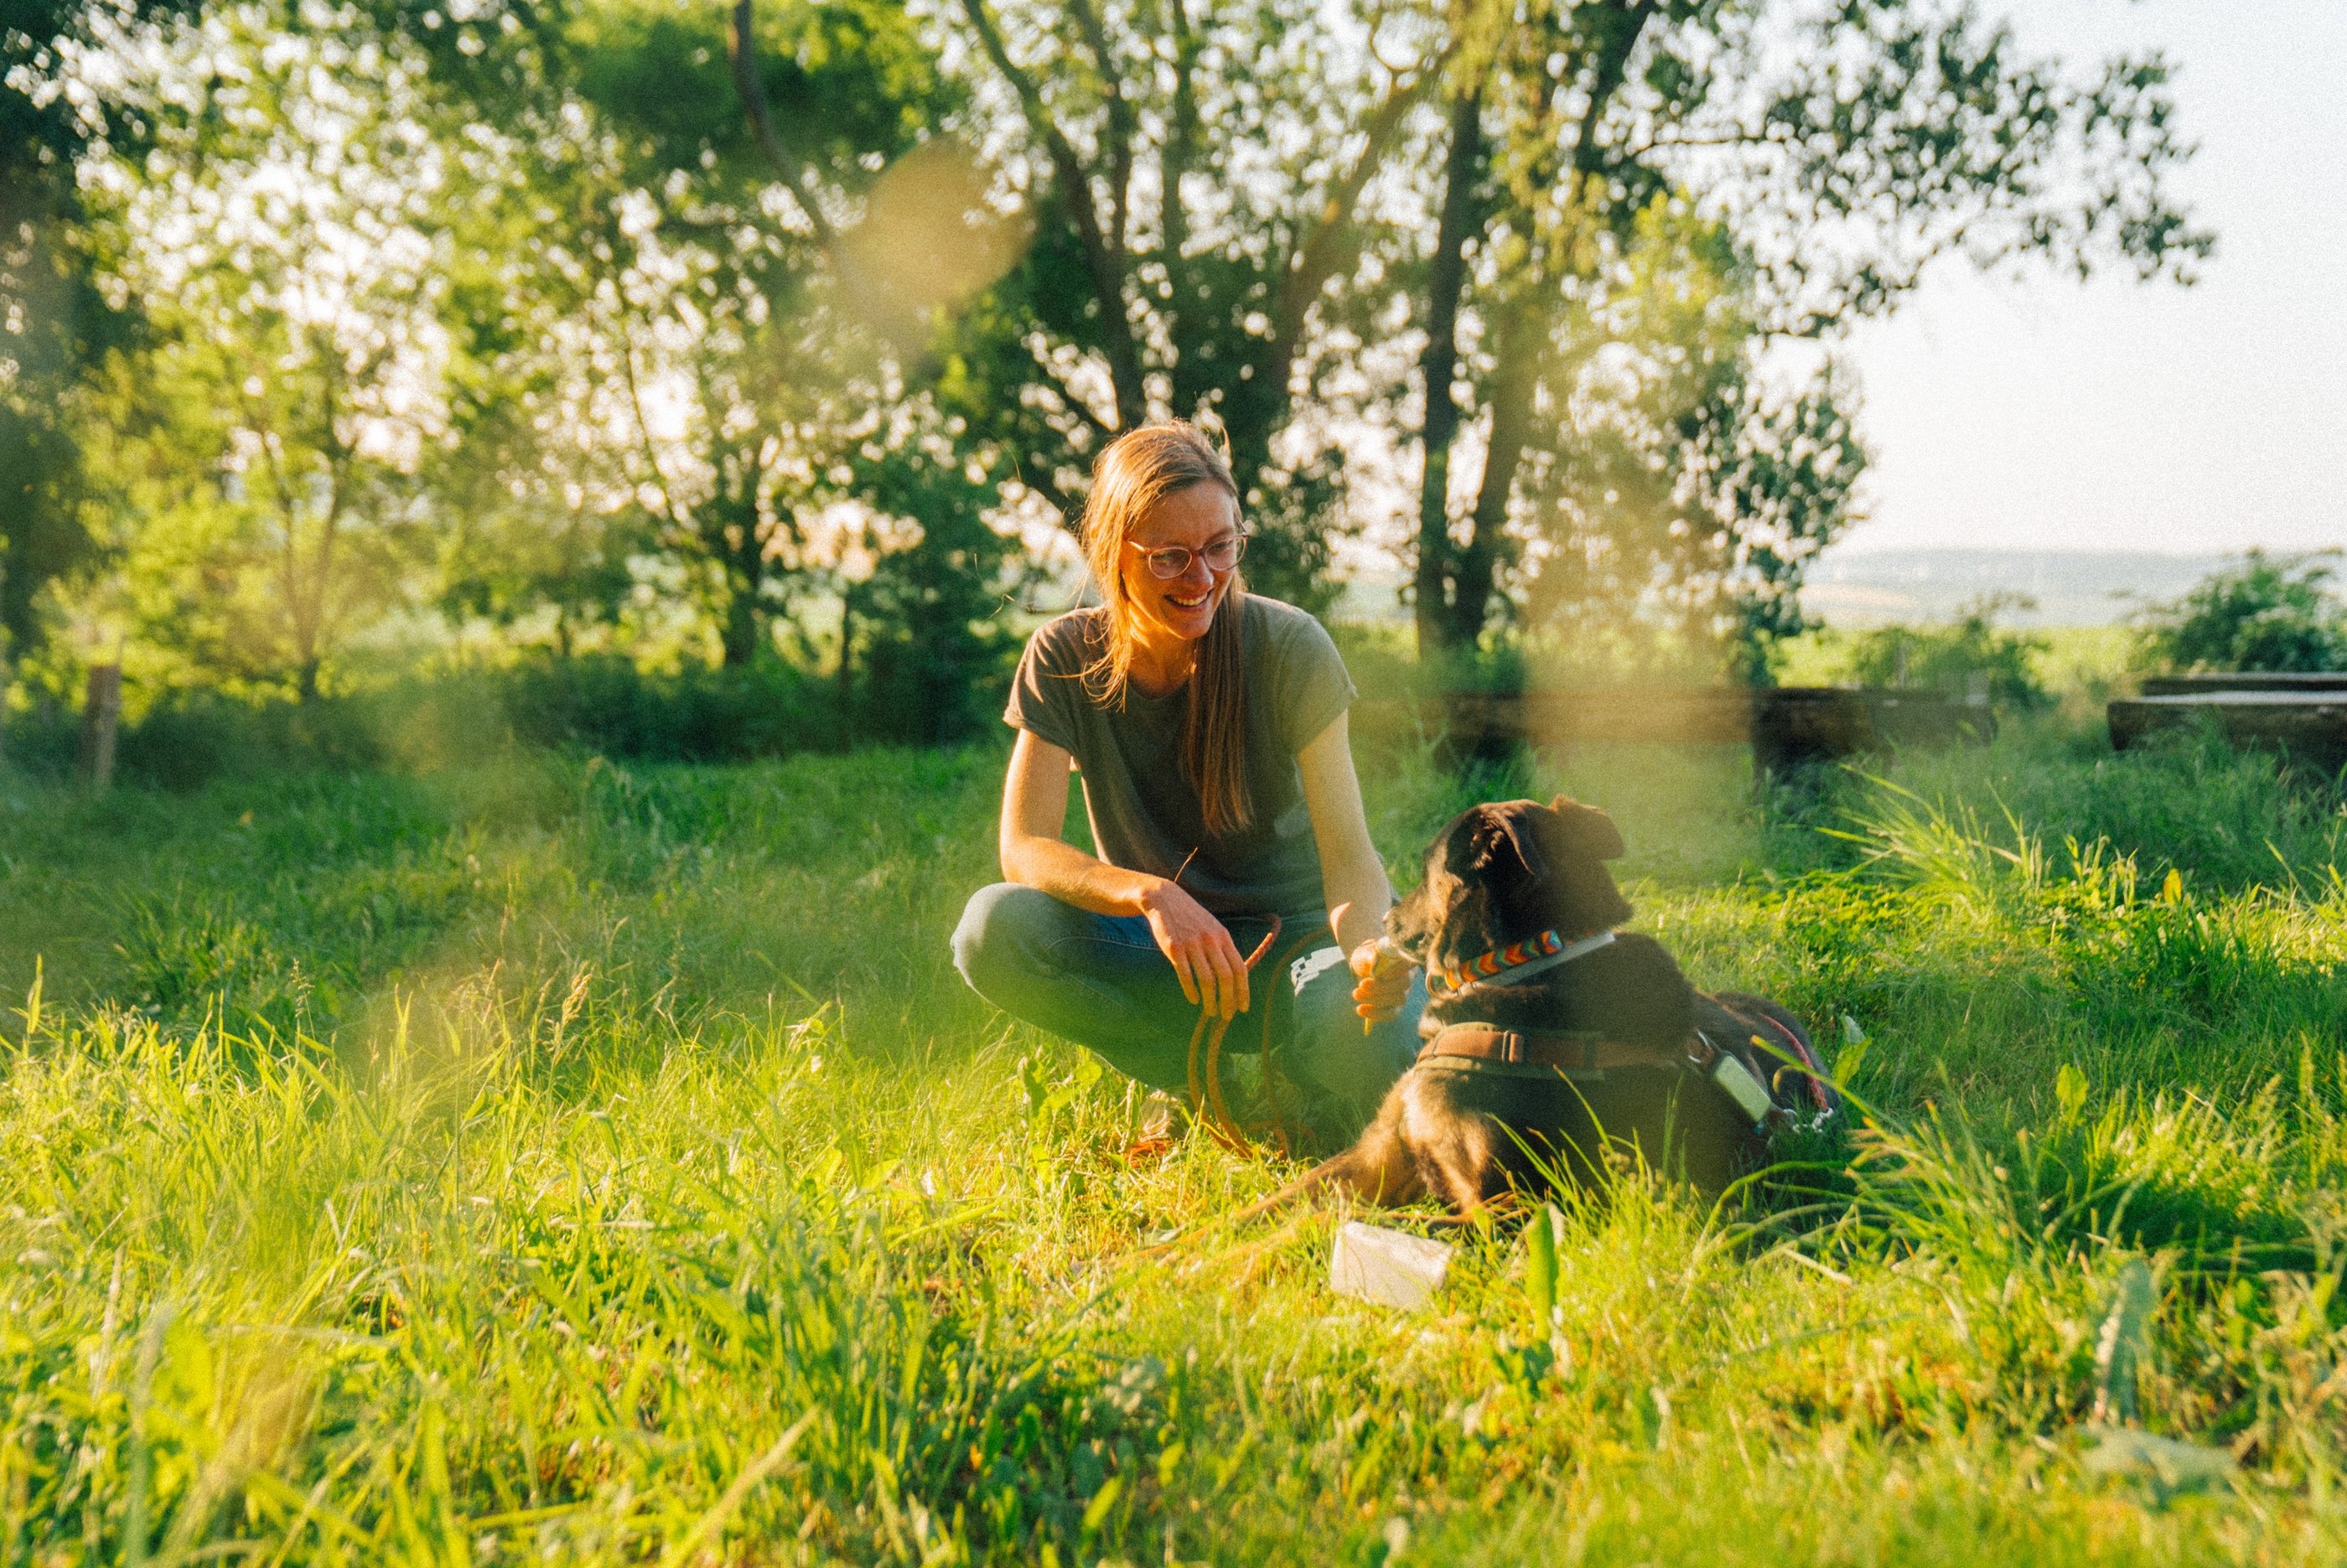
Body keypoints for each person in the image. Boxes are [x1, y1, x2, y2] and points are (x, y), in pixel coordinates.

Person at [951, 421, 1423, 1142]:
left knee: (1372, 1042)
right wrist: (1151, 894)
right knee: (994, 930)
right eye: (1170, 557)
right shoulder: (1064, 654)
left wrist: (1367, 951)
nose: (1202, 577)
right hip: (1167, 954)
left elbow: (1352, 859)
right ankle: (1189, 1079)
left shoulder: (1292, 646)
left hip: (1301, 951)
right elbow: (1026, 848)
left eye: (1220, 548)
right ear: (1114, 554)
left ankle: (1300, 1074)